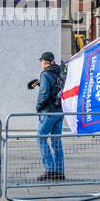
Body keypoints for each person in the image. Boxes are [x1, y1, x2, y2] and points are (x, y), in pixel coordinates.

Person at [35, 52, 65, 181]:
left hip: (49, 111)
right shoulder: (60, 73)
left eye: (41, 61)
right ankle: (59, 171)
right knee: (56, 141)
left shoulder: (45, 74)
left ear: (44, 62)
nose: (41, 63)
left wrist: (38, 107)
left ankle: (50, 169)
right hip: (60, 111)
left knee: (40, 138)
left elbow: (44, 94)